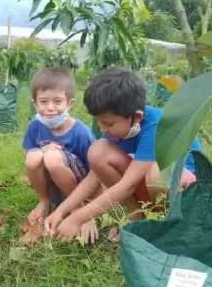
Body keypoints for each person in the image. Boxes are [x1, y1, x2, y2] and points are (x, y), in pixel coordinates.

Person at [44, 67, 202, 243]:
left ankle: (169, 224)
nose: (103, 129)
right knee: (99, 151)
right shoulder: (118, 130)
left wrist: (78, 218)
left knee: (159, 174)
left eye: (108, 124)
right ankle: (137, 217)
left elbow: (128, 185)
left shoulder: (157, 125)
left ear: (136, 117)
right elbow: (93, 177)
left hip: (188, 193)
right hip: (148, 187)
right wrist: (61, 211)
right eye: (99, 122)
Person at [23, 67, 98, 243]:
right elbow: (33, 161)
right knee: (33, 156)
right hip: (54, 185)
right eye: (43, 101)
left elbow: (96, 173)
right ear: (35, 103)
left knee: (52, 157)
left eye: (57, 101)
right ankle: (44, 200)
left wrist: (88, 210)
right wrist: (43, 151)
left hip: (80, 189)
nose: (50, 108)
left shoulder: (81, 132)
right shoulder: (35, 126)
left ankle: (76, 208)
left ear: (69, 103)